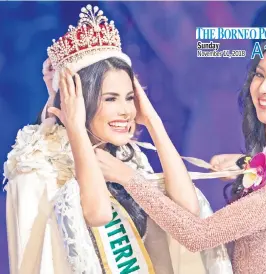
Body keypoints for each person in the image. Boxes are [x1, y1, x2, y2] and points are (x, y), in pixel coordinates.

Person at [93, 34, 266, 273]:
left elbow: (199, 235)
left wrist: (128, 178)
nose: (263, 87)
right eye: (260, 74)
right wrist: (245, 163)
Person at [4, 5, 230, 274]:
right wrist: (75, 128)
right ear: (79, 102)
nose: (126, 110)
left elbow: (188, 208)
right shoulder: (42, 163)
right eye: (110, 98)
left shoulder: (127, 157)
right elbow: (99, 215)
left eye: (130, 97)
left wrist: (153, 122)